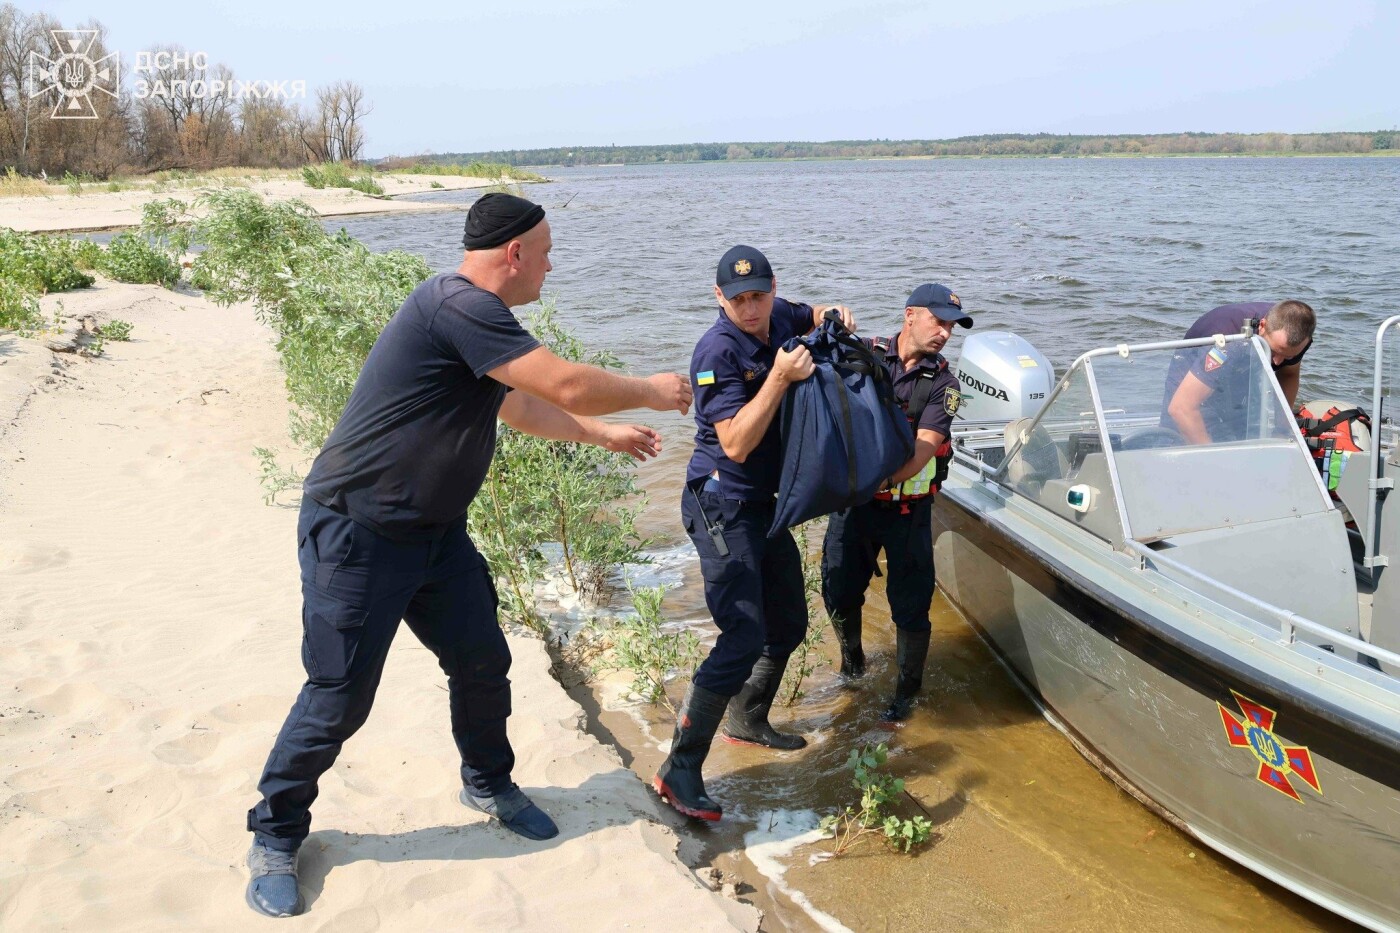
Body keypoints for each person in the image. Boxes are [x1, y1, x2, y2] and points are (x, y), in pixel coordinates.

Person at [243, 193, 693, 918]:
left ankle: (486, 780)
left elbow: (516, 405)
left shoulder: (481, 322)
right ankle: (275, 832)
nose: (552, 263)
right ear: (513, 254)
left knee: (483, 660)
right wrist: (649, 391)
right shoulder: (456, 304)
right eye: (544, 250)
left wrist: (600, 435)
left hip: (435, 536)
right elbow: (568, 382)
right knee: (338, 697)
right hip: (356, 534)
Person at [652, 245, 854, 822]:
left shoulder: (779, 313)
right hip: (719, 503)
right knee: (743, 633)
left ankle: (747, 717)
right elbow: (736, 442)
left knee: (788, 621)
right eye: (738, 299)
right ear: (719, 297)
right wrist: (782, 378)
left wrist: (833, 313)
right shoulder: (715, 350)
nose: (751, 308)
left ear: (772, 289)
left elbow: (811, 313)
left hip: (764, 507)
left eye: (758, 295)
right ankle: (681, 768)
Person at [820, 283, 970, 723]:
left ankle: (906, 694)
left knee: (911, 607)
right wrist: (824, 320)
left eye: (952, 327)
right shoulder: (864, 352)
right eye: (938, 321)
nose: (945, 333)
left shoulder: (945, 385)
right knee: (838, 591)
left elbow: (923, 450)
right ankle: (852, 667)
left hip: (908, 513)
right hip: (855, 507)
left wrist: (875, 480)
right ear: (910, 315)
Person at [1163, 300, 1315, 445]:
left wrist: (1281, 429)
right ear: (1262, 326)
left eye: (1288, 356)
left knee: (1243, 432)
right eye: (1273, 352)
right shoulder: (1229, 344)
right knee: (1179, 434)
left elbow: (1289, 374)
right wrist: (1213, 460)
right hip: (1203, 360)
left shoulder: (1295, 339)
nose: (1278, 362)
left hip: (1243, 368)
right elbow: (1181, 408)